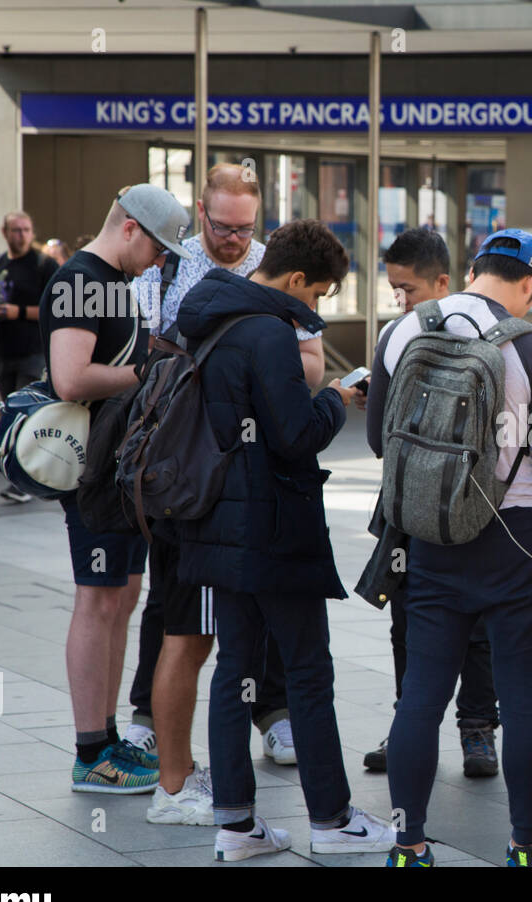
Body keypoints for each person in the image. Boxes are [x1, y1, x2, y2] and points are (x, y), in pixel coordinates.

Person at [172, 218, 393, 861]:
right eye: (318, 295)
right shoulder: (269, 331)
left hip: (218, 522)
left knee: (234, 670)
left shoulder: (212, 314)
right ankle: (331, 818)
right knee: (307, 670)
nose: (314, 308)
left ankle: (235, 827)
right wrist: (335, 396)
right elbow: (295, 434)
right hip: (273, 523)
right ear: (296, 280)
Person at [366, 228, 532, 867]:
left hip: (430, 538)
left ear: (473, 268)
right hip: (516, 538)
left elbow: (379, 439)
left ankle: (409, 844)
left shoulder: (400, 333)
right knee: (521, 698)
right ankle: (524, 845)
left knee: (422, 695)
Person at [126, 165, 314, 818]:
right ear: (199, 211)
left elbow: (306, 360)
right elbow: (143, 358)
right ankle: (177, 784)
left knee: (201, 628)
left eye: (245, 229)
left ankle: (186, 772)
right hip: (196, 478)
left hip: (211, 477)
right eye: (222, 226)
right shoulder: (168, 268)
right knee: (190, 633)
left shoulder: (265, 268)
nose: (234, 240)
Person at [43, 184, 190, 793]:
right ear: (130, 228)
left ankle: (107, 740)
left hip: (118, 466)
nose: (162, 260)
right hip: (93, 470)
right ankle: (89, 752)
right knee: (98, 600)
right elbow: (71, 377)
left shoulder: (115, 282)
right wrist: (146, 372)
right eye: (160, 247)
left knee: (122, 597)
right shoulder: (81, 280)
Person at [362, 226, 502, 779]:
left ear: (444, 281)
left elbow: (377, 438)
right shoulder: (499, 334)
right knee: (474, 626)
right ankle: (474, 735)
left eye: (410, 290)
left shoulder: (397, 337)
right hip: (477, 506)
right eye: (395, 290)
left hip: (414, 514)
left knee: (414, 623)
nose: (401, 301)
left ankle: (419, 731)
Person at [0, 211, 59, 501]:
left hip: (32, 351)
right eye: (16, 230)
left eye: (26, 230)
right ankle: (18, 475)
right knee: (8, 414)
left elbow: (54, 308)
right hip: (3, 349)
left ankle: (26, 481)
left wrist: (20, 312)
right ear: (5, 232)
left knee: (26, 417)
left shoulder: (44, 264)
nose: (22, 235)